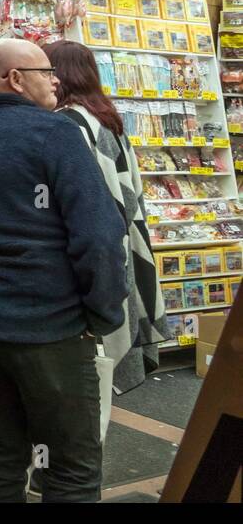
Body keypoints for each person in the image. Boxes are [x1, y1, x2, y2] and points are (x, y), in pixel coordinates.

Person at [0, 38, 128, 503]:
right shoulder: (55, 135)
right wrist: (103, 312)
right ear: (16, 78)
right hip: (51, 326)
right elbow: (98, 237)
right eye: (46, 71)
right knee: (70, 465)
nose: (55, 79)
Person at [43, 40, 166, 394]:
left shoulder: (69, 124)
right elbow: (126, 196)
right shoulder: (106, 118)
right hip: (120, 245)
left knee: (83, 379)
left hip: (90, 254)